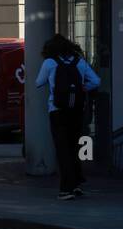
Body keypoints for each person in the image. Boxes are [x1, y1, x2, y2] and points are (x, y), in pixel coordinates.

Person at [35, 34, 101, 199]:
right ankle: (77, 184)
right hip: (77, 110)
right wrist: (84, 88)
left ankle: (66, 189)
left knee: (62, 149)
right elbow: (96, 81)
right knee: (75, 147)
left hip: (57, 111)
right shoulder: (79, 61)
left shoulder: (49, 63)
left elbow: (39, 82)